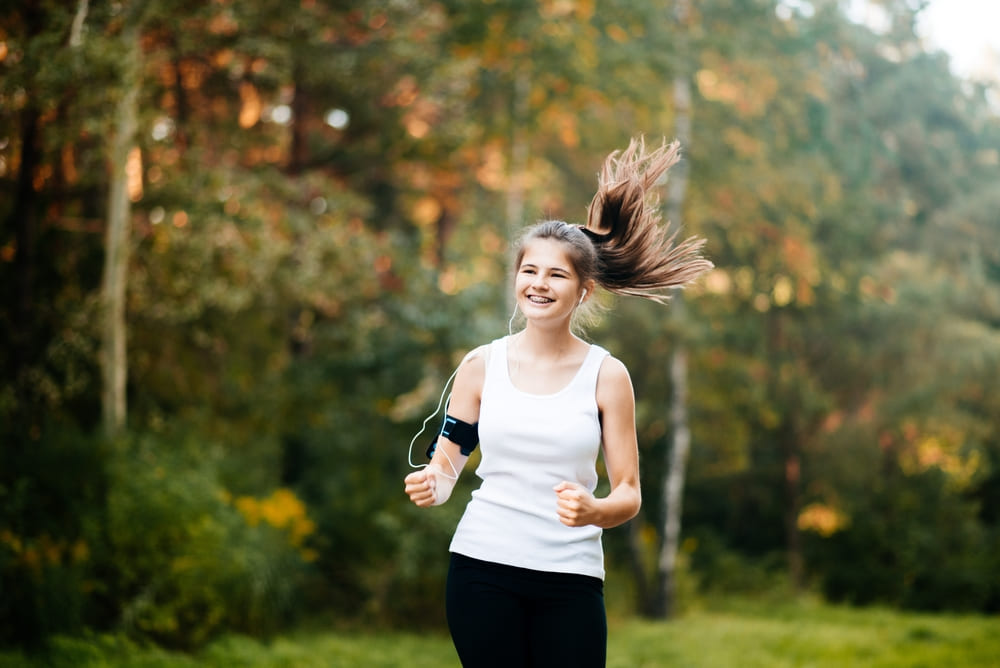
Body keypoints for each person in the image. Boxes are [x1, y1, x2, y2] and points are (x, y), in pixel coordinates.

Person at [403, 137, 712, 667]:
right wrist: (435, 481)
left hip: (570, 577)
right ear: (516, 278)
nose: (539, 284)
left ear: (583, 290)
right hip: (482, 567)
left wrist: (596, 509)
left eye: (556, 274)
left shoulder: (607, 376)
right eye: (529, 271)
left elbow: (630, 494)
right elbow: (450, 458)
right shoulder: (481, 366)